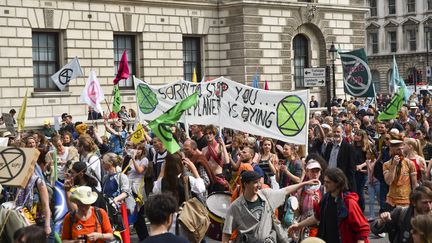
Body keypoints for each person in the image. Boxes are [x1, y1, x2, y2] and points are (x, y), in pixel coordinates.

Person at [221, 170, 319, 243]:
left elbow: (285, 190)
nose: (259, 185)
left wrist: (304, 183)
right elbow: (226, 233)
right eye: (255, 182)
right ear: (246, 184)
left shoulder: (265, 195)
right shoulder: (236, 207)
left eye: (259, 182)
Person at [288, 168, 370, 243]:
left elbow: (362, 230)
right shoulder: (326, 198)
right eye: (324, 181)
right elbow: (317, 216)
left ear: (337, 183)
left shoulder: (349, 203)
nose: (325, 185)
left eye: (328, 182)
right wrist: (299, 225)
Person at [383, 139, 418, 210]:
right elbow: (388, 182)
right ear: (392, 151)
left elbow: (414, 184)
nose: (401, 152)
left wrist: (415, 200)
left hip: (406, 202)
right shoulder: (386, 164)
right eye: (398, 150)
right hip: (391, 202)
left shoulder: (410, 163)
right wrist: (394, 166)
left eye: (402, 149)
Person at [324, 125, 356, 191]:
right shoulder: (329, 146)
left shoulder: (348, 148)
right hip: (329, 179)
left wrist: (348, 184)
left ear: (342, 132)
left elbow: (351, 168)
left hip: (341, 181)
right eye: (334, 132)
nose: (336, 134)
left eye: (338, 132)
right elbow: (325, 161)